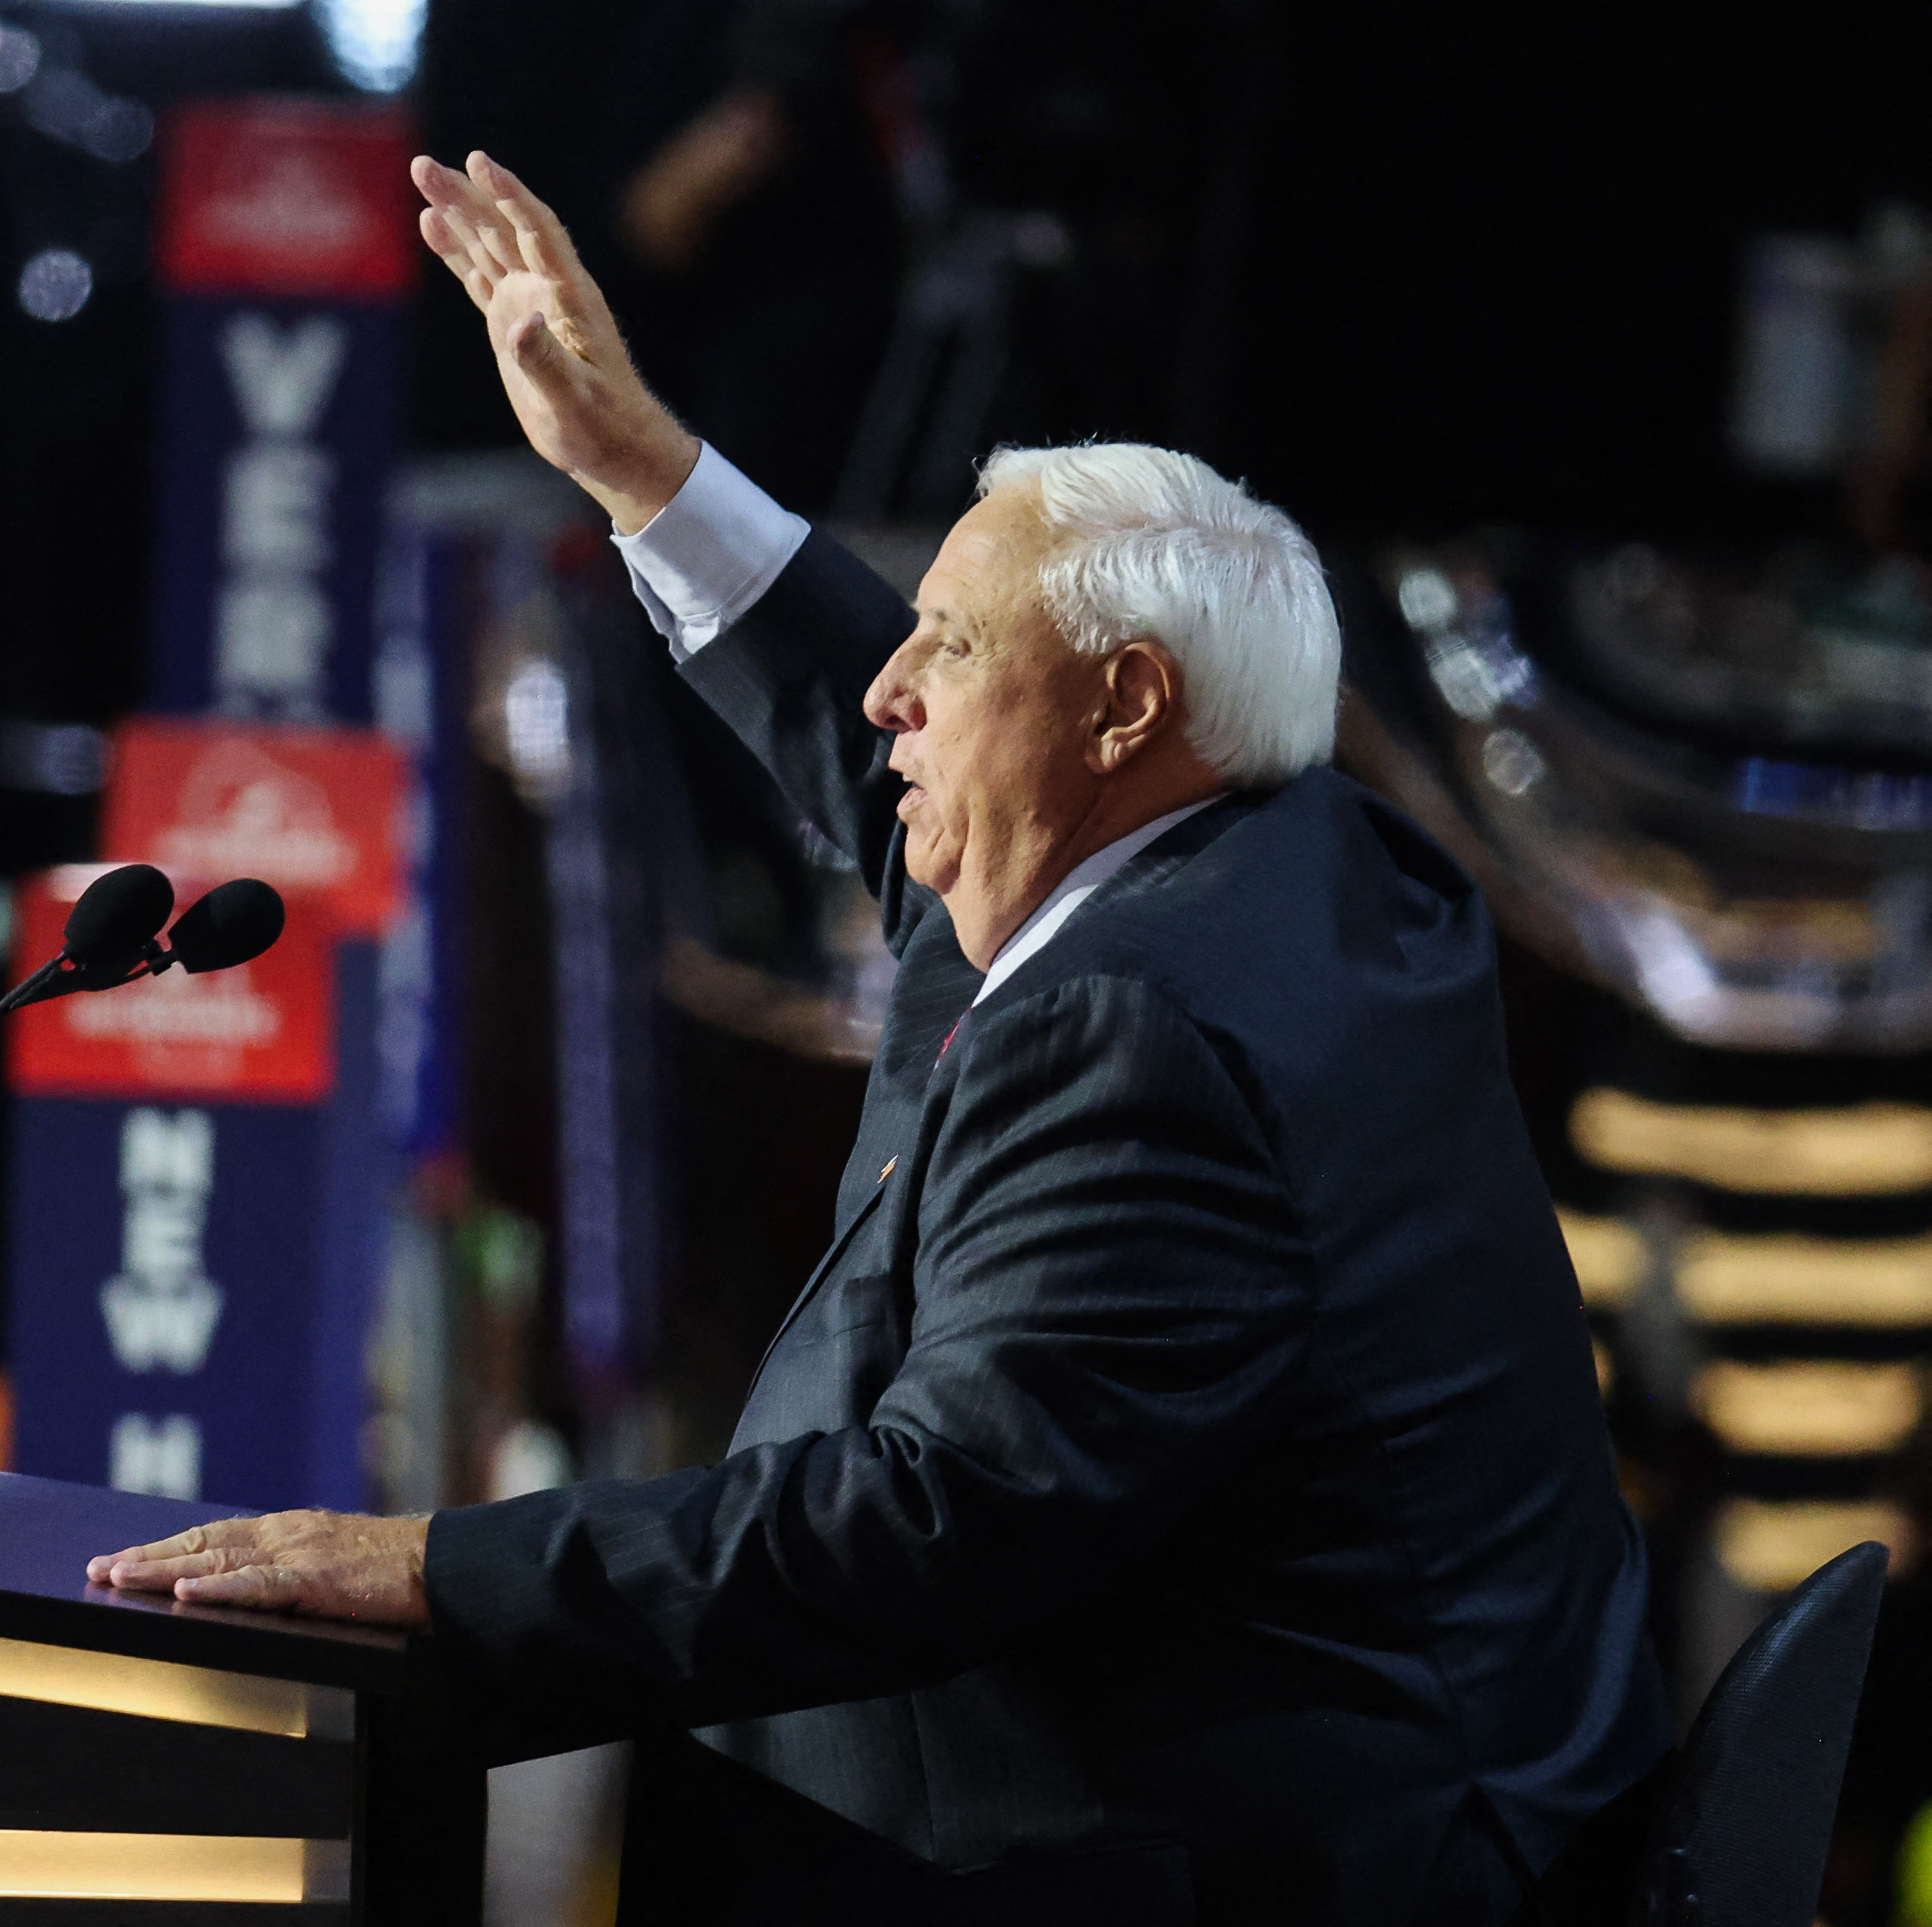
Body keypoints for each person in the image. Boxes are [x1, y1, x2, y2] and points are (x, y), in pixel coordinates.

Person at [92, 152, 1670, 1925]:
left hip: (1242, 1847)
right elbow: (897, 766)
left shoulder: (1138, 1035)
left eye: (946, 640)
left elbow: (937, 1522)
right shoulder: (1297, 859)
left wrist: (436, 1565)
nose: (884, 690)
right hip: (1381, 1733)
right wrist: (641, 471)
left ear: (1123, 701)